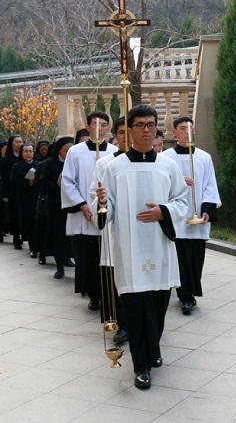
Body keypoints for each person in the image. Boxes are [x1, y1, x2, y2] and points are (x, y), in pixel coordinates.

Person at [95, 104, 188, 389]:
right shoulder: (115, 167)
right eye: (140, 125)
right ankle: (141, 366)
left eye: (151, 125)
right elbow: (106, 211)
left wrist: (164, 211)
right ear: (129, 130)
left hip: (159, 247)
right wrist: (101, 203)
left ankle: (153, 349)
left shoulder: (168, 166)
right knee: (136, 310)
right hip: (130, 248)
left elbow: (182, 202)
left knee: (158, 308)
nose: (146, 130)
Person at [164, 116, 222, 315]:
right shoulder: (166, 157)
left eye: (190, 128)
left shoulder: (204, 157)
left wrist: (207, 209)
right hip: (177, 217)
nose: (187, 131)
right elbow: (162, 185)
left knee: (196, 259)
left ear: (194, 131)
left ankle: (192, 291)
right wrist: (179, 180)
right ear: (174, 132)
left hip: (197, 218)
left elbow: (210, 185)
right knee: (181, 258)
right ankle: (185, 296)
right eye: (182, 128)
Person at [61, 111, 117, 311]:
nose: (99, 128)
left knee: (106, 258)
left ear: (107, 128)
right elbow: (68, 181)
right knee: (88, 258)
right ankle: (93, 294)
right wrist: (82, 204)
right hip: (84, 215)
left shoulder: (114, 152)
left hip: (106, 215)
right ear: (87, 126)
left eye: (103, 125)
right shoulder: (75, 152)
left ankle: (106, 294)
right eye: (95, 124)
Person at [89, 117, 129, 345]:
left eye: (128, 132)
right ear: (116, 134)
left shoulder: (150, 162)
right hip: (113, 229)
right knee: (116, 278)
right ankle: (121, 324)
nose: (125, 137)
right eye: (121, 132)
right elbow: (94, 194)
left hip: (139, 229)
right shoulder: (104, 164)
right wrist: (103, 205)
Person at [36, 137, 75, 278]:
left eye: (72, 149)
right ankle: (59, 266)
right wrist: (56, 185)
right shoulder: (50, 163)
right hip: (56, 204)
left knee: (70, 235)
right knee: (58, 235)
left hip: (73, 204)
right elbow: (42, 184)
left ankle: (68, 258)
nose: (69, 153)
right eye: (66, 150)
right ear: (59, 150)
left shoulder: (76, 162)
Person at [11, 143, 40, 256]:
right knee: (28, 222)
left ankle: (38, 246)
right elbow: (13, 182)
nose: (28, 154)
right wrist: (27, 182)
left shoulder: (39, 165)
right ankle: (32, 246)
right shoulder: (17, 167)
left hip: (37, 197)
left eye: (30, 151)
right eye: (26, 151)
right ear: (22, 153)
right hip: (25, 198)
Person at [1, 135, 24, 249]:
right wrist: (4, 194)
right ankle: (16, 237)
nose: (19, 144)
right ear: (12, 144)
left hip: (24, 190)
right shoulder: (6, 159)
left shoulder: (24, 156)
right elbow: (4, 178)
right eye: (17, 142)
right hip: (12, 191)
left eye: (21, 142)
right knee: (14, 214)